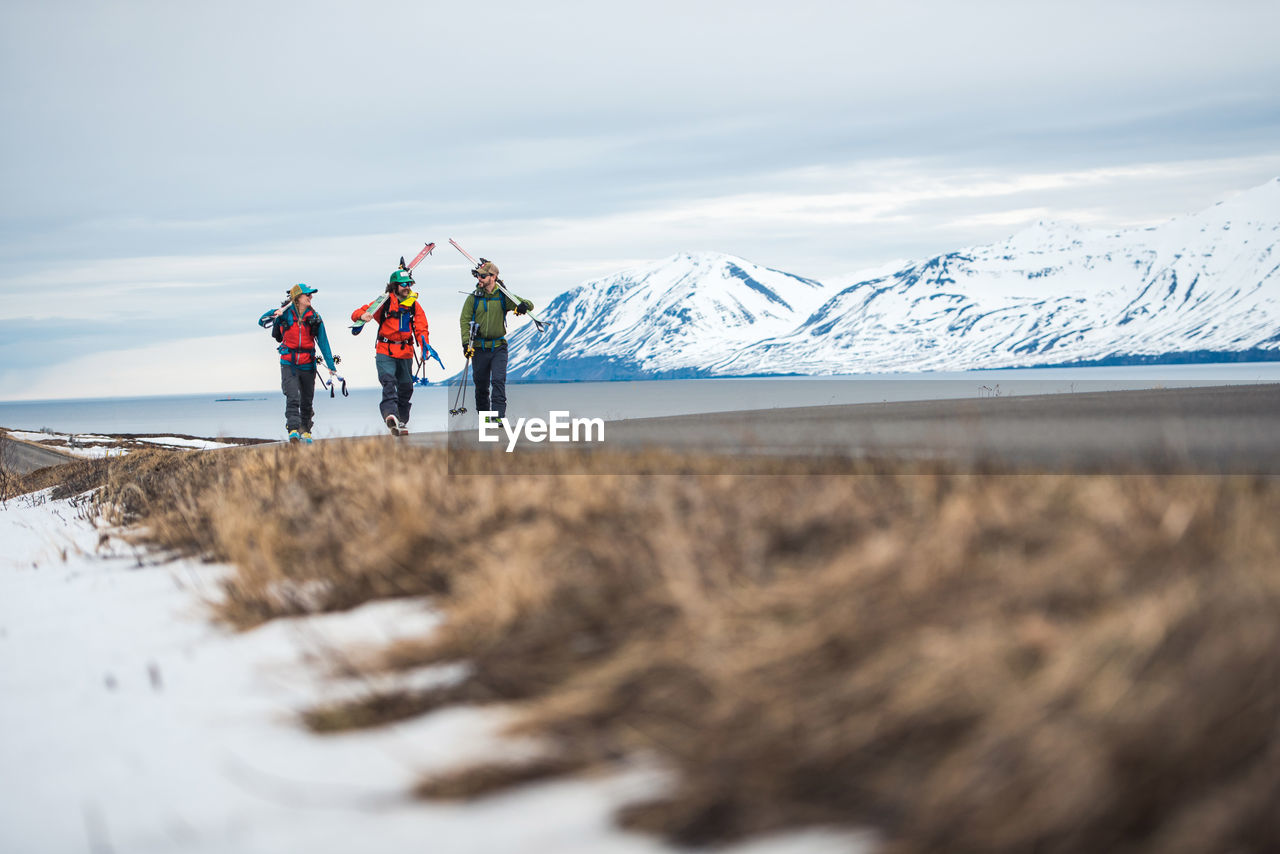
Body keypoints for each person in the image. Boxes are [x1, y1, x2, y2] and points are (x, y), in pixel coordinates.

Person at [352, 269, 430, 435]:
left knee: (406, 388)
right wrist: (363, 315)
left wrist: (425, 348)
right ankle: (390, 415)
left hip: (406, 352)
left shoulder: (414, 305)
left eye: (409, 284)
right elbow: (357, 313)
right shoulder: (384, 302)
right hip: (385, 351)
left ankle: (400, 421)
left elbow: (422, 328)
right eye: (403, 284)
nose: (407, 287)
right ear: (394, 286)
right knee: (388, 382)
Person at [258, 283, 338, 444]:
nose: (310, 297)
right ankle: (293, 429)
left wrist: (331, 365)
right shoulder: (284, 314)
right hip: (289, 362)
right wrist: (274, 313)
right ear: (297, 298)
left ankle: (305, 430)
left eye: (311, 294)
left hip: (308, 363)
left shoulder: (315, 317)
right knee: (292, 396)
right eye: (307, 294)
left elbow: (323, 341)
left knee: (307, 399)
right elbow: (262, 321)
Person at [459, 261, 533, 424]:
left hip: (499, 347)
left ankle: (499, 417)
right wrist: (466, 344)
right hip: (478, 348)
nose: (480, 278)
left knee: (498, 380)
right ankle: (486, 420)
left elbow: (528, 305)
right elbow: (464, 320)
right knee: (481, 386)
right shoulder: (473, 298)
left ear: (494, 277)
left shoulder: (502, 296)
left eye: (483, 276)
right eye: (478, 275)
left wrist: (523, 306)